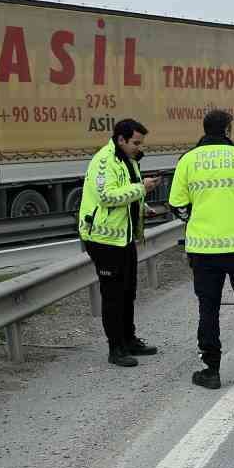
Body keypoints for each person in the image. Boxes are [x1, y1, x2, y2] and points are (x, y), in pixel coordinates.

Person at [168, 110, 234, 389]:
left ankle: (211, 371)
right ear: (228, 130)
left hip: (203, 250)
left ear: (204, 129)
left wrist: (197, 220)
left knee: (209, 308)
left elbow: (177, 206)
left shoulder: (187, 161)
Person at [80, 119, 164, 367]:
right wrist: (142, 188)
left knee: (128, 291)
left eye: (141, 143)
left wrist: (143, 207)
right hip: (104, 240)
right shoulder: (104, 161)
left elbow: (126, 192)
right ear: (121, 139)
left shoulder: (127, 159)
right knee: (113, 295)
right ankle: (115, 348)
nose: (139, 147)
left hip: (122, 237)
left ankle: (129, 340)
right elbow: (107, 197)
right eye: (135, 142)